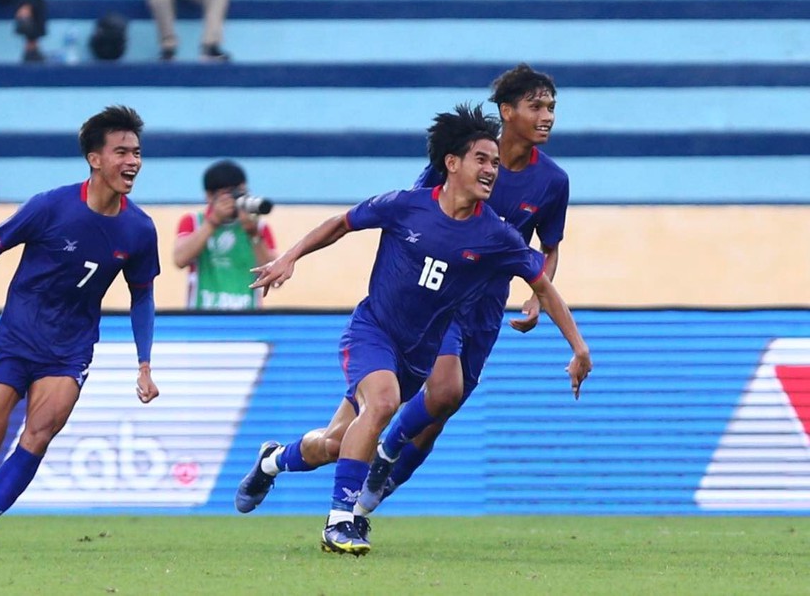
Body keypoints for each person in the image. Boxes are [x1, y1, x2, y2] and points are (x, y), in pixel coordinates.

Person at [233, 104, 591, 555]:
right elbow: (340, 224)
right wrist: (289, 258)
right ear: (452, 163)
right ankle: (340, 521)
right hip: (373, 331)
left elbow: (544, 285)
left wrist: (579, 347)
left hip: (416, 356)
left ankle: (271, 461)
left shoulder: (497, 236)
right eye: (482, 159)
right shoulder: (405, 205)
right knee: (381, 404)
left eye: (496, 163)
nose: (491, 170)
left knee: (334, 444)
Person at [0, 105, 160, 552]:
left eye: (136, 152)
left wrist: (144, 364)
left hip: (69, 350)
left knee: (39, 433)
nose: (132, 161)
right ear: (95, 159)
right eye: (122, 151)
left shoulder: (139, 229)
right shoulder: (50, 206)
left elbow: (142, 296)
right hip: (16, 337)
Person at [354, 64, 570, 517]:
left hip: (488, 309)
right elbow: (416, 213)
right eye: (537, 106)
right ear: (507, 112)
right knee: (445, 390)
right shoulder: (463, 156)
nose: (547, 116)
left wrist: (536, 295)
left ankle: (381, 481)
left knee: (439, 417)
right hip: (445, 295)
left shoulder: (552, 181)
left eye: (551, 107)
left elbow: (548, 249)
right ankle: (385, 449)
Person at [173, 159, 277, 310]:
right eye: (229, 195)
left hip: (247, 317)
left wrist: (253, 234)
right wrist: (213, 221)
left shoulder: (259, 227)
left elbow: (273, 278)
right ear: (209, 196)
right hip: (201, 316)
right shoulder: (193, 222)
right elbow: (180, 259)